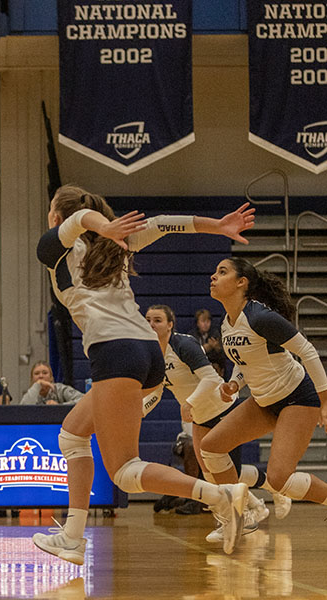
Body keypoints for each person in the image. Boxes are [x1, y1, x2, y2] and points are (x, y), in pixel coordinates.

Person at [30, 185, 256, 565]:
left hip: (115, 352)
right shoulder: (116, 244)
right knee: (72, 435)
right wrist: (217, 226)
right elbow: (167, 223)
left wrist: (102, 226)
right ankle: (71, 536)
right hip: (149, 353)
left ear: (55, 217)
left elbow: (79, 219)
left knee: (124, 470)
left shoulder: (54, 248)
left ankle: (222, 497)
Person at [198, 258, 327, 523]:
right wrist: (235, 383)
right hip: (264, 400)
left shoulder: (260, 317)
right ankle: (235, 518)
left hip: (297, 398)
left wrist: (325, 402)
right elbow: (242, 362)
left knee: (279, 479)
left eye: (222, 272)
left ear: (241, 282)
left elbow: (308, 351)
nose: (213, 276)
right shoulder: (226, 323)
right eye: (215, 271)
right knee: (210, 446)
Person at [144, 304, 273, 538]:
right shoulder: (152, 354)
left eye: (158, 320)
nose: (151, 325)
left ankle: (242, 518)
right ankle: (253, 507)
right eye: (148, 320)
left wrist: (189, 402)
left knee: (224, 476)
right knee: (212, 476)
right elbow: (157, 390)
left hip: (223, 410)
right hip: (201, 418)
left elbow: (211, 379)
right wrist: (141, 410)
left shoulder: (184, 344)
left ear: (170, 324)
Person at [19, 360, 83, 405]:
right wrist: (37, 385)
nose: (41, 376)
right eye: (36, 373)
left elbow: (82, 399)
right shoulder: (31, 393)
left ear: (51, 378)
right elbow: (21, 411)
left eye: (45, 373)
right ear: (32, 379)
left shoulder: (60, 389)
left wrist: (59, 406)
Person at [189, 308, 229, 375]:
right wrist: (205, 348)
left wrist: (217, 348)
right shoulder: (192, 335)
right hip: (199, 364)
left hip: (215, 363)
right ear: (197, 323)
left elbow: (223, 355)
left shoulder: (216, 334)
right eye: (203, 321)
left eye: (208, 321)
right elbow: (191, 354)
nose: (205, 324)